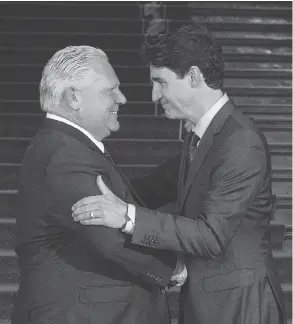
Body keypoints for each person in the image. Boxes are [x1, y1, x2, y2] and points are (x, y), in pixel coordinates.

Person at [71, 24, 286, 324]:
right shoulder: (202, 135)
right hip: (212, 304)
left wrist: (127, 216)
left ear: (194, 77)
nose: (154, 95)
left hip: (240, 308)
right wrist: (82, 179)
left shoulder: (240, 141)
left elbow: (211, 236)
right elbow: (153, 187)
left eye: (161, 82)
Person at [11, 45, 186, 324]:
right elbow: (110, 240)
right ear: (74, 98)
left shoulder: (65, 146)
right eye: (110, 91)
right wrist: (177, 268)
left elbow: (127, 198)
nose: (123, 98)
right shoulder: (64, 155)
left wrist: (190, 162)